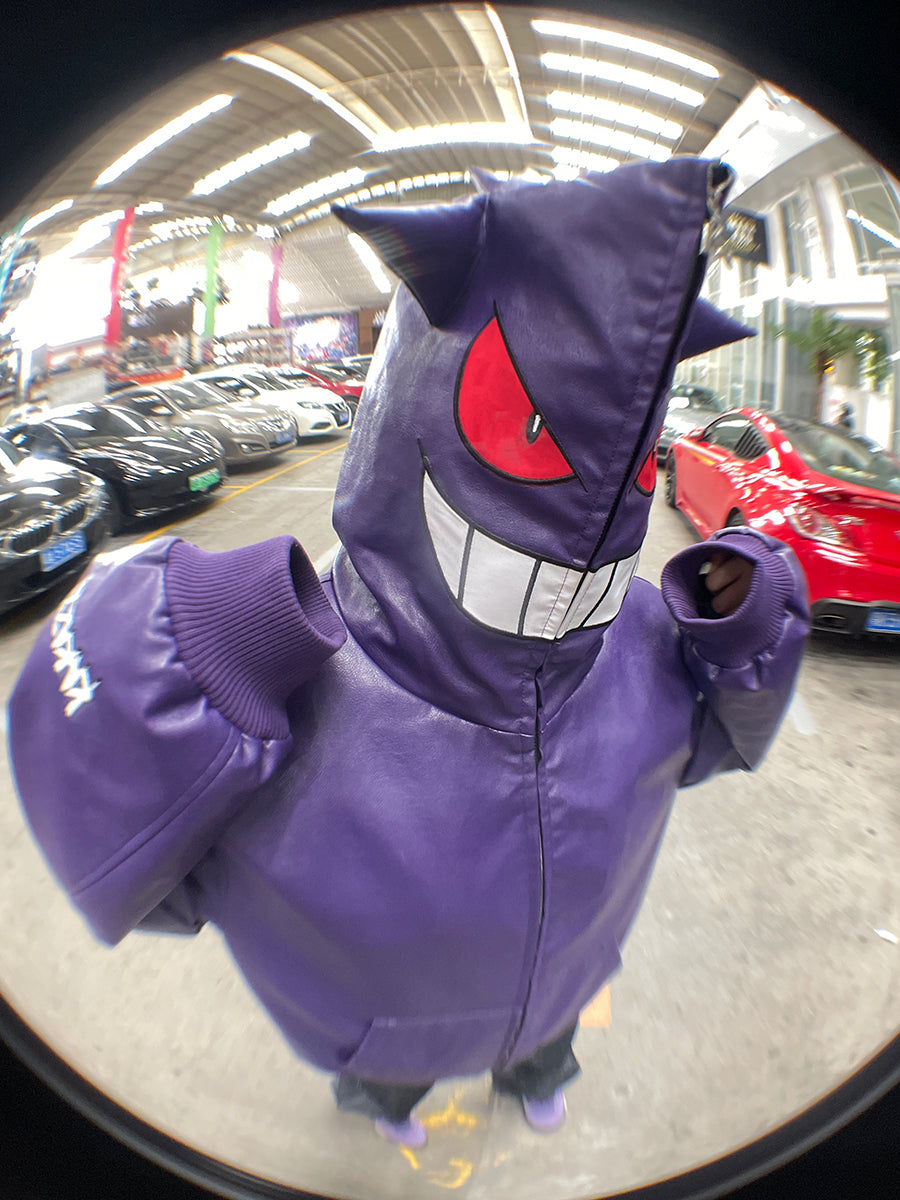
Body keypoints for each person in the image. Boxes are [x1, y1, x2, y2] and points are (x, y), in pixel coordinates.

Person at [8, 158, 809, 1149]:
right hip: (381, 1028)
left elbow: (724, 737)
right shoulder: (286, 671)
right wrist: (168, 655)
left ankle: (534, 1067)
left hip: (559, 987)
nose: (589, 503)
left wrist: (751, 617)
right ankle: (388, 1099)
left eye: (633, 455)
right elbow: (134, 865)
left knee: (543, 1044)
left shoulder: (636, 645)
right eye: (523, 424)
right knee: (390, 1082)